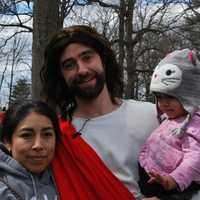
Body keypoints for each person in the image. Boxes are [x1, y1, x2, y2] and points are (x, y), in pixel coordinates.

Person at [40, 24, 158, 200]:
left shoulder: (151, 115)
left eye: (87, 57)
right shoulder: (55, 135)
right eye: (69, 65)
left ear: (103, 59)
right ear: (61, 76)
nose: (82, 70)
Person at [138, 49, 200, 200]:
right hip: (156, 179)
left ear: (189, 96)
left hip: (175, 187)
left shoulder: (194, 124)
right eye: (159, 96)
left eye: (171, 96)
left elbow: (195, 159)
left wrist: (173, 180)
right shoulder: (174, 117)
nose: (164, 103)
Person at [0, 101, 59, 199]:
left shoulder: (65, 177)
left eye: (47, 134)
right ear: (7, 142)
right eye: (26, 135)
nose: (38, 145)